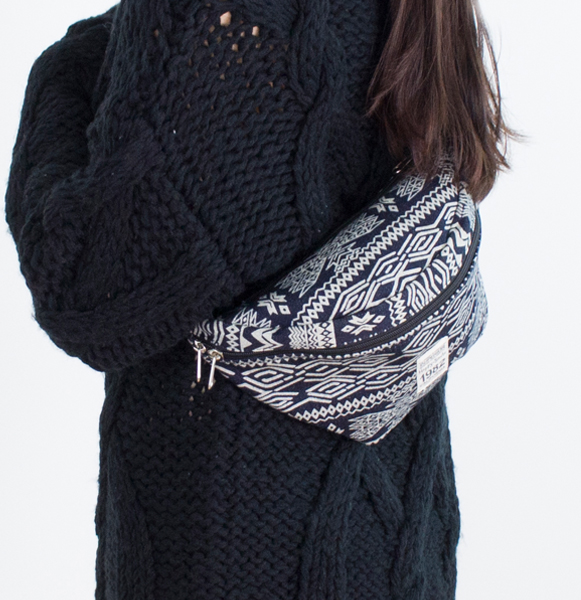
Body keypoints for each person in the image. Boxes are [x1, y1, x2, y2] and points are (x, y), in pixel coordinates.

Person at [5, 1, 511, 598]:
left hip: (234, 548)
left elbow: (84, 285)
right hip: (394, 549)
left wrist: (68, 63)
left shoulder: (244, 23)